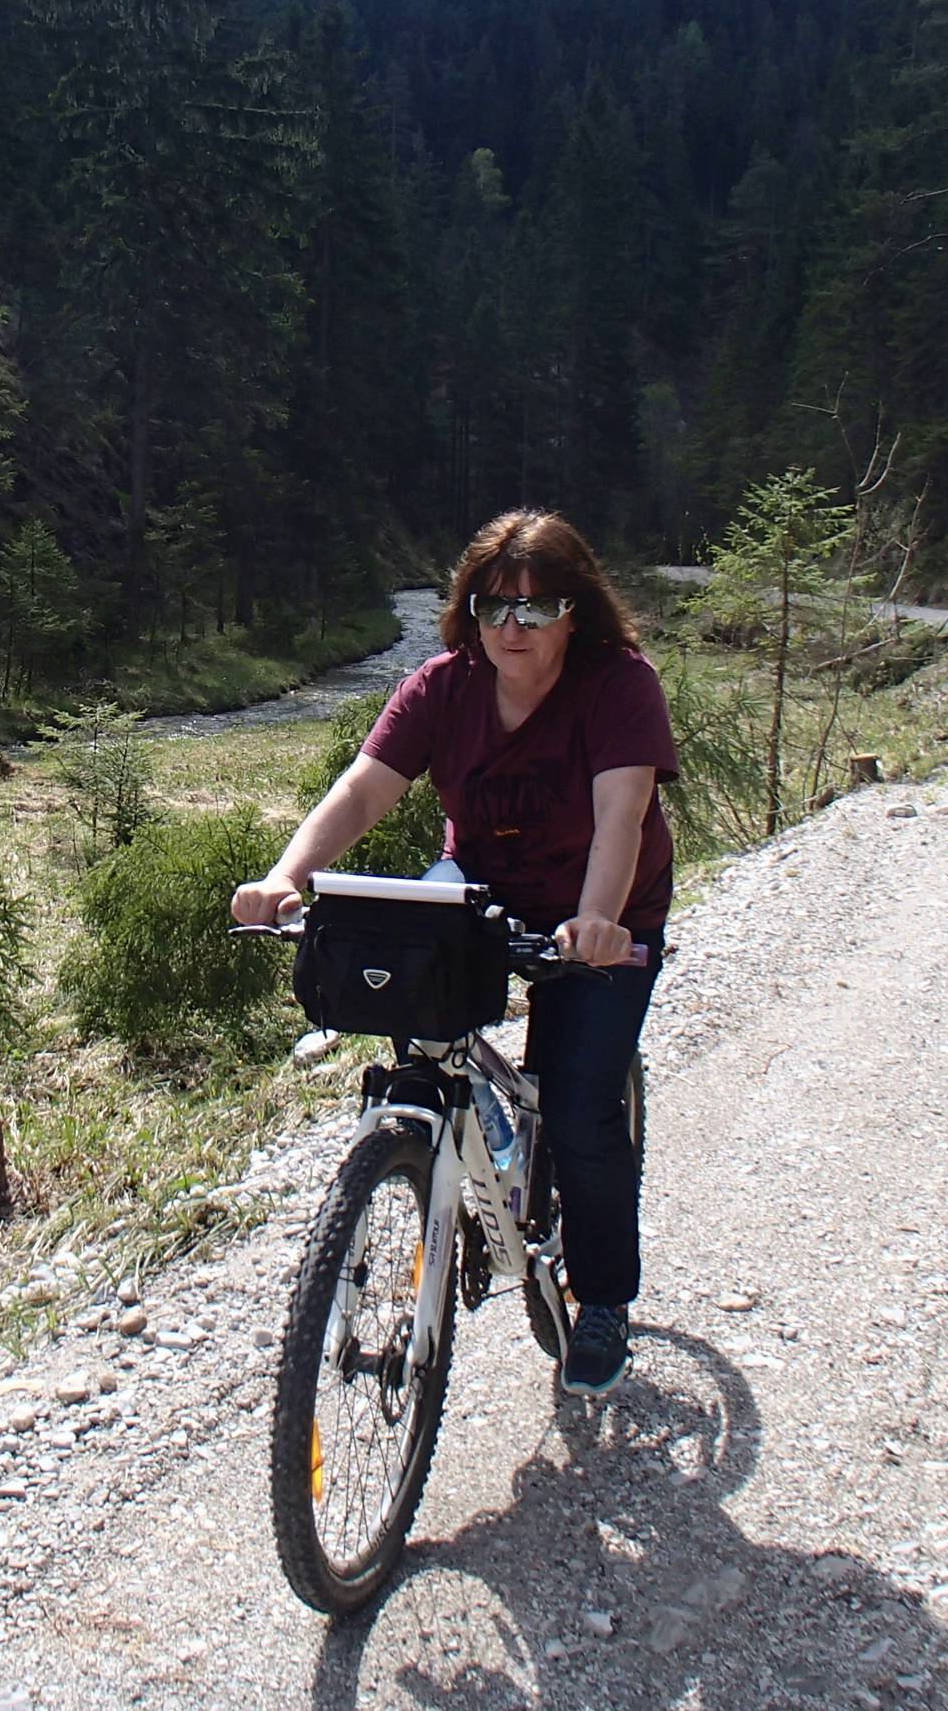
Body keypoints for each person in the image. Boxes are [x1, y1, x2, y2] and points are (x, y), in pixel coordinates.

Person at [233, 508, 677, 1394]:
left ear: (574, 615)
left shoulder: (619, 685)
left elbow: (621, 818)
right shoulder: (444, 686)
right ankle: (440, 1147)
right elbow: (364, 790)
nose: (511, 627)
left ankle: (602, 1303)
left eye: (535, 609)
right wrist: (287, 875)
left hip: (601, 905)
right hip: (481, 886)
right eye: (492, 606)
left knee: (583, 1105)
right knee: (415, 1012)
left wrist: (595, 921)